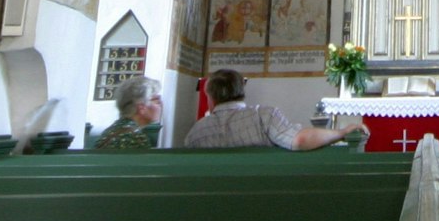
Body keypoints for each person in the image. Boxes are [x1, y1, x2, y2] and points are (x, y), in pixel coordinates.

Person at [184, 69, 360, 150]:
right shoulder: (263, 116)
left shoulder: (196, 132)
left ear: (211, 99)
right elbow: (299, 141)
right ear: (241, 91)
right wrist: (342, 132)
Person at [96, 75, 163, 150]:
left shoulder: (111, 131)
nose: (160, 104)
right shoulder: (135, 138)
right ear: (142, 108)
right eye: (156, 100)